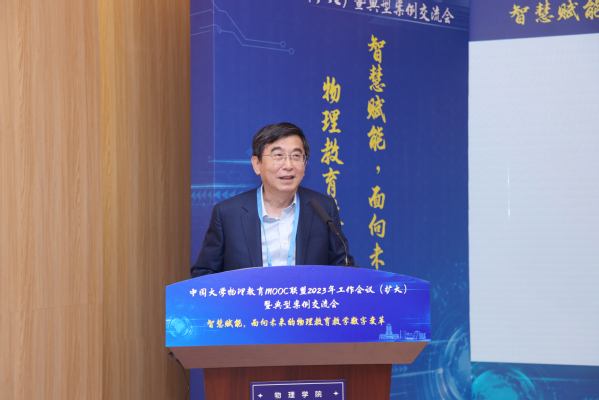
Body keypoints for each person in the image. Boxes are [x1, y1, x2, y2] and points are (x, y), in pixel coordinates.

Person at [191, 122, 354, 278]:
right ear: (256, 164)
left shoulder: (323, 208)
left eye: (296, 156)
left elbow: (343, 267)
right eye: (278, 155)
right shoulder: (227, 213)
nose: (288, 165)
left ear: (305, 165)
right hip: (249, 298)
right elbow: (204, 273)